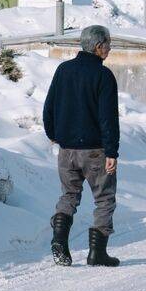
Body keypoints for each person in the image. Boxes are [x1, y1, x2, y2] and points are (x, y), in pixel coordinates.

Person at [43, 24, 120, 267]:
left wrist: (54, 134)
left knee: (69, 195)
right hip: (95, 151)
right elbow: (108, 117)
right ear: (99, 47)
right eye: (108, 44)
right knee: (104, 198)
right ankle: (97, 253)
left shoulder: (63, 70)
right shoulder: (103, 75)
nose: (110, 48)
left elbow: (49, 107)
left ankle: (59, 241)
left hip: (66, 151)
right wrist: (112, 151)